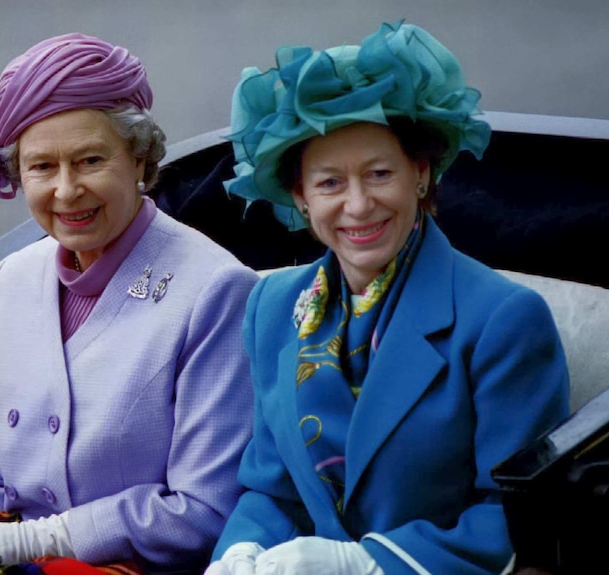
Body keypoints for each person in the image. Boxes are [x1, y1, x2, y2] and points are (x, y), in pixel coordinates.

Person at [205, 21, 570, 575]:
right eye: (329, 183)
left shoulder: (502, 319)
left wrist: (369, 564)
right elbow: (271, 487)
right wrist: (241, 550)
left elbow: (521, 516)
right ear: (300, 197)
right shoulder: (272, 306)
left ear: (420, 175)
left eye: (379, 174)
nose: (357, 205)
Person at [0, 33, 258, 575]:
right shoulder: (10, 282)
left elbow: (205, 512)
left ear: (140, 160)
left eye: (90, 160)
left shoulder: (214, 289)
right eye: (42, 168)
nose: (67, 190)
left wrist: (38, 540)